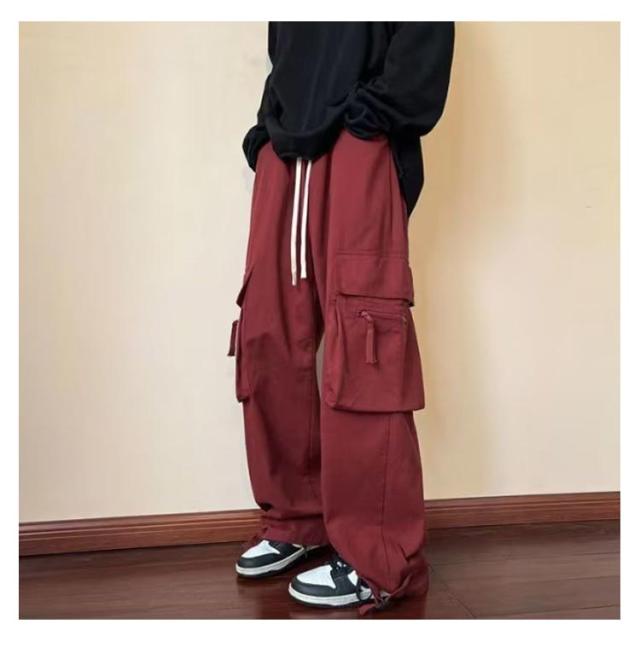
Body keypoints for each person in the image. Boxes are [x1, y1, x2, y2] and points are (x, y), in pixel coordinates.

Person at [229, 22, 454, 614]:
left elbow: (425, 42)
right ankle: (297, 518)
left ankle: (379, 556)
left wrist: (371, 117)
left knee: (365, 340)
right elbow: (289, 51)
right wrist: (266, 134)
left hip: (360, 143)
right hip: (286, 150)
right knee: (268, 332)